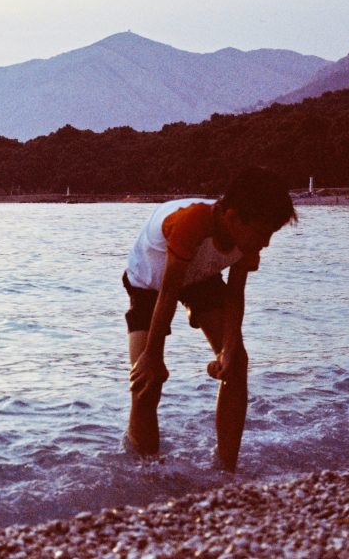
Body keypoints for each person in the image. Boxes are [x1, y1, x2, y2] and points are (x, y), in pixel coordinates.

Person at [123, 167, 297, 471]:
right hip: (150, 282)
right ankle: (146, 471)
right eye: (262, 233)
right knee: (147, 381)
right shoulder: (192, 223)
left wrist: (230, 347)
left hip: (201, 276)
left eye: (270, 234)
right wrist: (152, 355)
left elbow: (235, 295)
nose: (266, 243)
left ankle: (226, 470)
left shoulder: (248, 240)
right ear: (232, 218)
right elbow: (168, 292)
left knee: (237, 362)